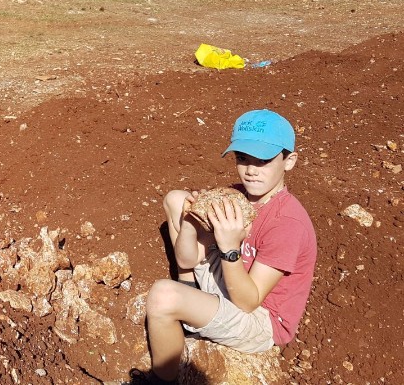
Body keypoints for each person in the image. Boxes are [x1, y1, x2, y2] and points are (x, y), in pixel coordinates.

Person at [133, 109, 317, 384]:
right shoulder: (237, 196)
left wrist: (230, 249)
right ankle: (190, 294)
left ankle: (164, 380)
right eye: (242, 158)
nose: (251, 170)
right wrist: (191, 222)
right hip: (233, 279)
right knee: (177, 199)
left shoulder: (287, 224)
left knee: (163, 296)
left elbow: (249, 301)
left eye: (263, 160)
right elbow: (186, 260)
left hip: (261, 317)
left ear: (289, 161)